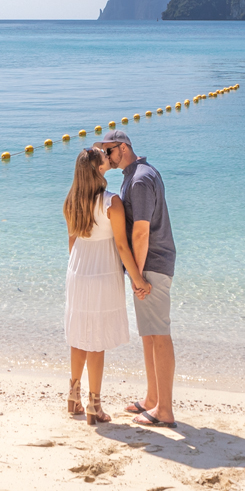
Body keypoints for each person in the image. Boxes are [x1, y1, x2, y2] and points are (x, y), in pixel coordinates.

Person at [97, 129, 178, 427]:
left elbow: (141, 231)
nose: (105, 157)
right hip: (149, 265)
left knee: (159, 335)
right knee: (149, 334)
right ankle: (152, 399)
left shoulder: (141, 179)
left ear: (122, 148)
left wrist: (137, 276)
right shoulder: (136, 174)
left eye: (107, 151)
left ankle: (165, 411)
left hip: (151, 264)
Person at [61, 146, 142, 423]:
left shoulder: (71, 202)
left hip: (78, 270)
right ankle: (94, 404)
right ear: (98, 170)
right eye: (103, 158)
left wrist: (77, 268)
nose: (108, 158)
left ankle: (73, 396)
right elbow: (121, 245)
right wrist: (137, 278)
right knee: (96, 342)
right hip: (103, 272)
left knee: (79, 335)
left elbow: (72, 242)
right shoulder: (111, 202)